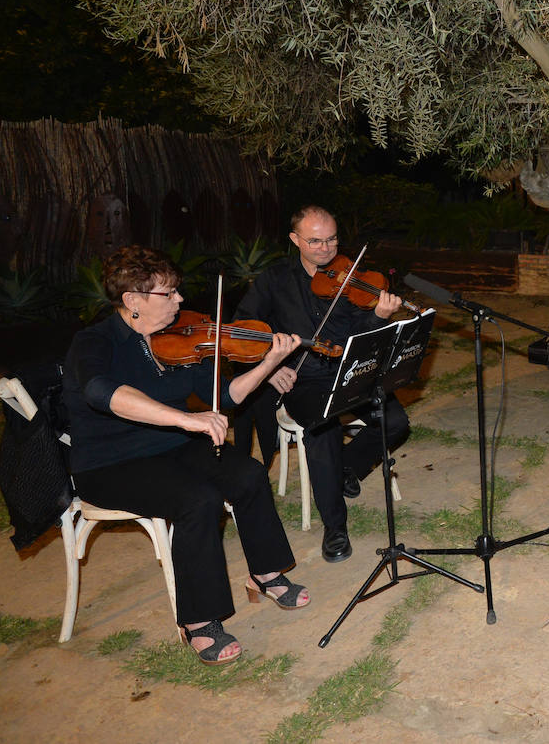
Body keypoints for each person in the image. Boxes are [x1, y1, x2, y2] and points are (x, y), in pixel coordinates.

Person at [61, 246, 310, 666]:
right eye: (169, 293)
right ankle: (199, 620)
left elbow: (228, 395)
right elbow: (104, 394)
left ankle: (264, 573)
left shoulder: (176, 340)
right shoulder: (94, 342)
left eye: (178, 292)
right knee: (199, 499)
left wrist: (270, 361)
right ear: (133, 300)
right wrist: (185, 419)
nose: (180, 301)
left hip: (171, 448)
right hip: (110, 463)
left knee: (247, 474)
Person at [234, 205, 411, 564]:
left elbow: (367, 337)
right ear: (295, 240)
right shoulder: (274, 280)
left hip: (351, 369)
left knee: (396, 422)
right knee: (324, 427)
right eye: (315, 241)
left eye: (331, 239)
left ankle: (346, 467)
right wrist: (268, 370)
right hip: (304, 378)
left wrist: (377, 315)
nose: (325, 248)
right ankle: (335, 526)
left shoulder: (351, 277)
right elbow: (241, 329)